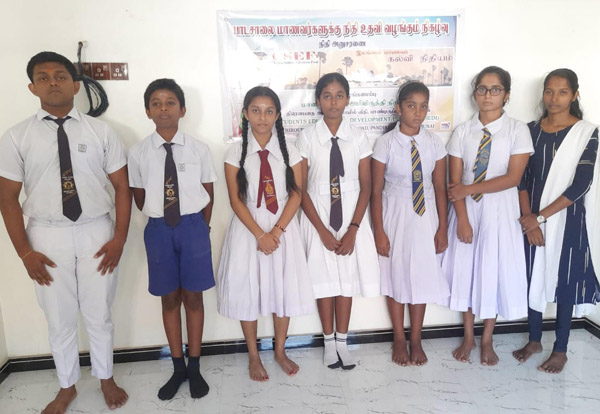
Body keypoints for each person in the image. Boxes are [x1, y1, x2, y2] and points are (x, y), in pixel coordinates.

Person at [0, 51, 131, 414]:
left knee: (99, 312)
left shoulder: (101, 132)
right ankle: (66, 386)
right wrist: (24, 252)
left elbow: (122, 187)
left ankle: (106, 378)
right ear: (32, 88)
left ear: (75, 85)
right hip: (46, 235)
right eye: (43, 78)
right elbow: (7, 198)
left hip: (96, 232)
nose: (52, 82)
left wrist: (119, 238)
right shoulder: (16, 137)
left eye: (60, 76)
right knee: (58, 317)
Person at [216, 86, 315, 382]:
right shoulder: (235, 153)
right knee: (248, 289)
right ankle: (253, 355)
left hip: (282, 227)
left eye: (269, 111)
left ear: (277, 115)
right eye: (256, 111)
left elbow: (297, 194)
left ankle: (280, 351)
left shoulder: (290, 150)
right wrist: (261, 235)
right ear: (246, 114)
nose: (262, 117)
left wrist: (276, 231)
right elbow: (235, 200)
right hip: (249, 229)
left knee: (283, 287)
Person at [128, 78, 216, 399]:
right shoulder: (138, 152)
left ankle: (194, 366)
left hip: (193, 227)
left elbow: (208, 192)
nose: (163, 109)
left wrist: (200, 227)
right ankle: (177, 366)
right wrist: (161, 216)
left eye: (170, 103)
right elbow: (139, 196)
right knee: (169, 299)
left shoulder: (199, 149)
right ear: (148, 111)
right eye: (156, 103)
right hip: (159, 229)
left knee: (194, 298)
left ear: (182, 109)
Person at [443, 66, 533, 365]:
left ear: (506, 95)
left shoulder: (517, 130)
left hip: (500, 211)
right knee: (467, 271)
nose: (488, 95)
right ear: (474, 94)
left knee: (492, 270)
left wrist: (469, 189)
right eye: (482, 88)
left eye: (495, 89)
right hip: (467, 210)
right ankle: (468, 337)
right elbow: (454, 183)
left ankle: (487, 339)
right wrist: (462, 219)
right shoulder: (463, 131)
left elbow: (513, 178)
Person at [513, 68, 600, 374]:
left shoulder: (587, 133)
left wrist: (539, 218)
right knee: (532, 274)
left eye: (562, 92)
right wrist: (529, 220)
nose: (554, 98)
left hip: (568, 218)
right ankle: (534, 340)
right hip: (530, 216)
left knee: (565, 280)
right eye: (549, 91)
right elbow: (521, 178)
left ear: (574, 95)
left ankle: (560, 349)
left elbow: (582, 184)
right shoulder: (530, 130)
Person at [298, 73, 380, 370]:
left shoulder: (358, 136)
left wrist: (354, 229)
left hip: (350, 217)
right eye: (327, 96)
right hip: (318, 216)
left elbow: (367, 187)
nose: (333, 102)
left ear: (347, 99)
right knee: (324, 282)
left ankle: (343, 342)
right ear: (318, 100)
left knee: (346, 281)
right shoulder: (307, 136)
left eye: (339, 95)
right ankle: (328, 343)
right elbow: (300, 188)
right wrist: (321, 231)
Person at [371, 81, 449, 366]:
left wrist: (442, 228)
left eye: (423, 106)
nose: (418, 112)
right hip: (395, 212)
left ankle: (416, 338)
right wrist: (379, 231)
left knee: (421, 275)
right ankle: (399, 338)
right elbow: (375, 190)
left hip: (426, 215)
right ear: (398, 108)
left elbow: (439, 188)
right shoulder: (385, 143)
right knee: (396, 274)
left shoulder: (434, 143)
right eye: (411, 106)